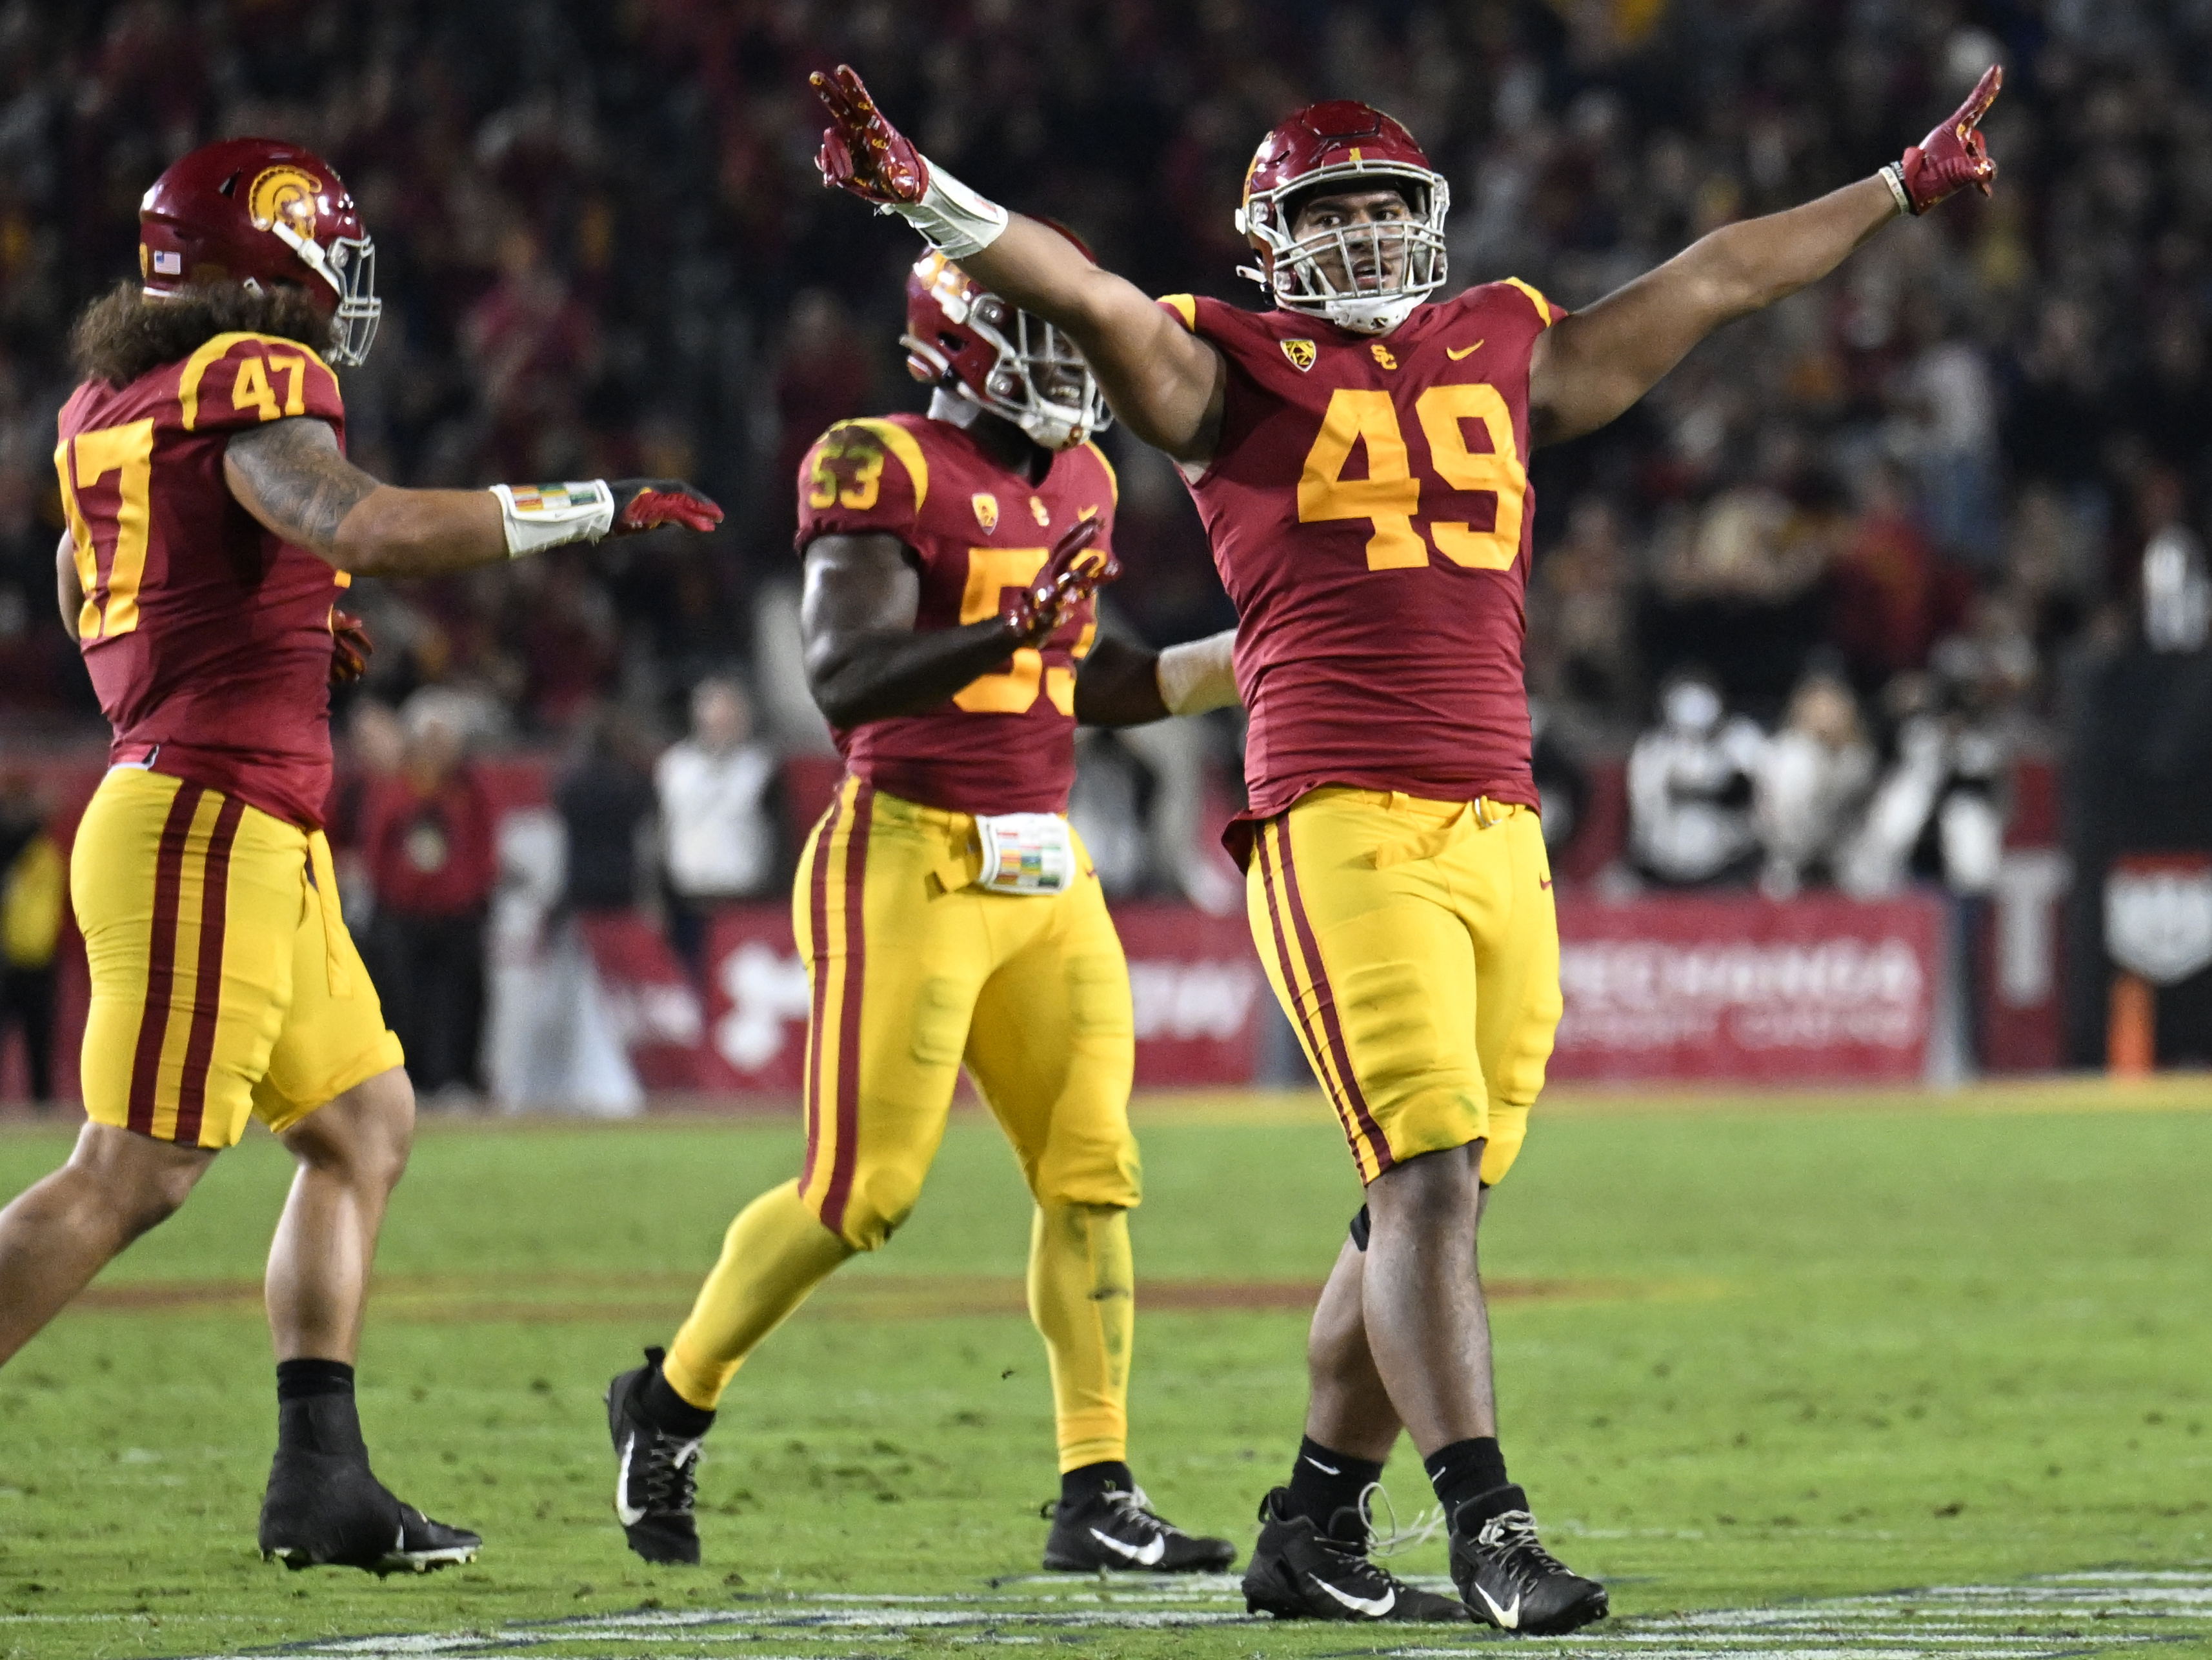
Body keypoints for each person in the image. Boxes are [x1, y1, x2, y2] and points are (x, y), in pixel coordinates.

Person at [812, 61, 2002, 1634]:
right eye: (1330, 210)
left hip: (1498, 825)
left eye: (1384, 203)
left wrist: (1896, 186)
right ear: (1269, 241)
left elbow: (1712, 277)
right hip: (1338, 818)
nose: (1366, 230)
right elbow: (1081, 286)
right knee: (1425, 1181)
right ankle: (1487, 1523)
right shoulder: (1222, 368)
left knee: (1405, 1219)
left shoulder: (1503, 340)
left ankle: (1308, 1519)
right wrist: (916, 188)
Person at [1, 136, 719, 1574]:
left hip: (237, 811)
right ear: (264, 265)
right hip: (207, 816)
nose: (344, 292)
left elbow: (99, 588)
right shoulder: (254, 378)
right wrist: (589, 506)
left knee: (363, 1122)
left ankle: (321, 1477)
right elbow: (362, 521)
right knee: (128, 1172)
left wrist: (252, 632)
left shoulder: (104, 400)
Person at [603, 247, 1242, 1575]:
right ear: (957, 343)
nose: (1072, 354)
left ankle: (1096, 1484)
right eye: (1039, 328)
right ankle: (667, 1402)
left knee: (1091, 1176)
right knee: (862, 1191)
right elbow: (844, 674)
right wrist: (1008, 625)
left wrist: (1233, 662)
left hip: (1044, 864)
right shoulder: (876, 459)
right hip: (905, 851)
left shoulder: (1082, 476)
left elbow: (1080, 674)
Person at [359, 697, 499, 1097]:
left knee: (462, 1000)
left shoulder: (469, 789)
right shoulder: (398, 787)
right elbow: (377, 847)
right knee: (405, 1000)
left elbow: (484, 845)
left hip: (459, 914)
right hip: (405, 915)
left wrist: (475, 892)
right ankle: (413, 1079)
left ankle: (456, 1078)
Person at [654, 676, 781, 979]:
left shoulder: (760, 767)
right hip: (688, 898)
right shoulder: (675, 767)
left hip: (746, 897)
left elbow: (780, 837)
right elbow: (660, 831)